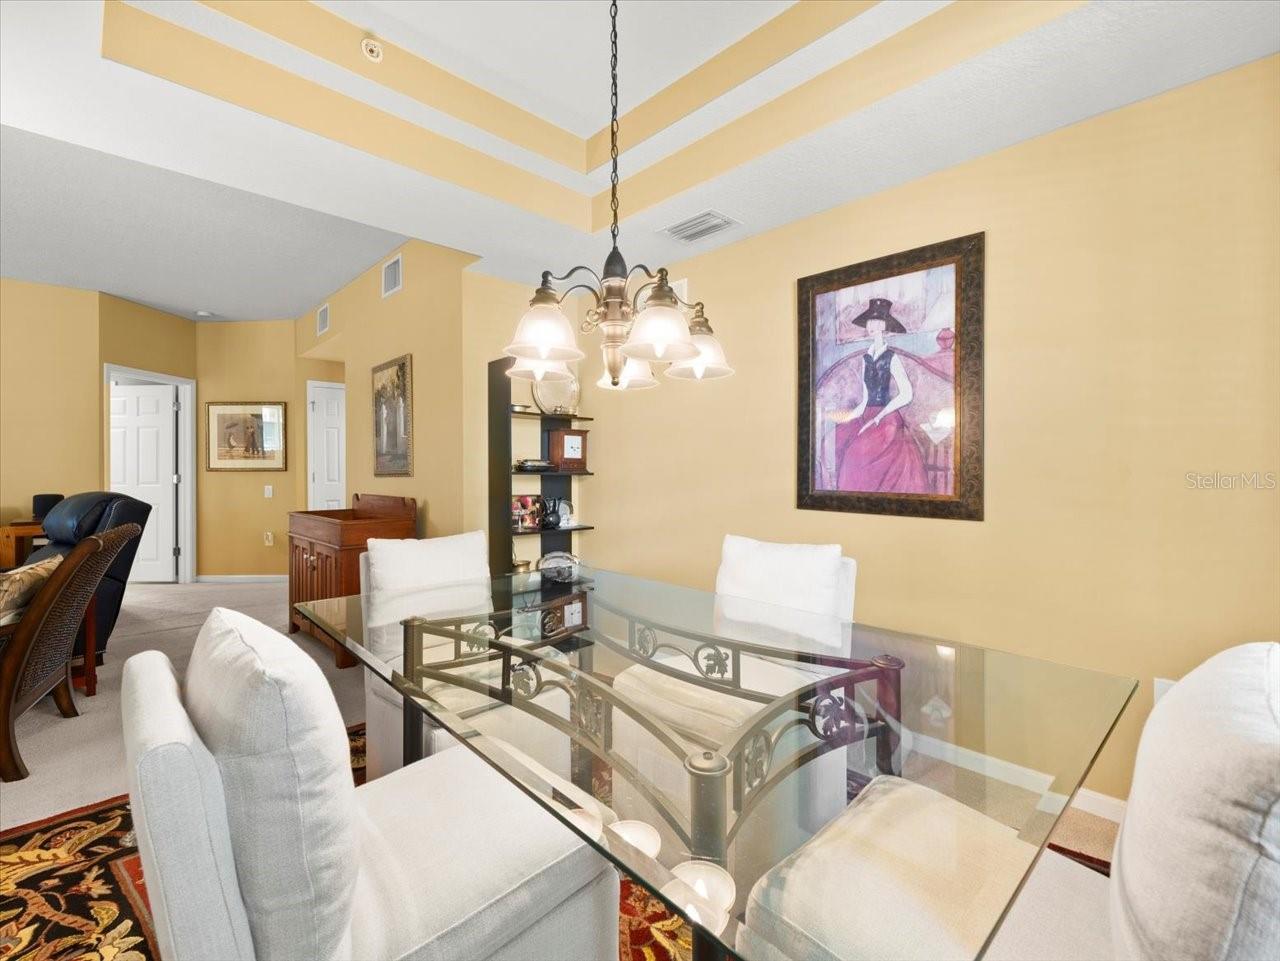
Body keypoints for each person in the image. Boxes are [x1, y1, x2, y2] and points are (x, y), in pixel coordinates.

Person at [834, 298, 929, 493]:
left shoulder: (891, 357)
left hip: (887, 419)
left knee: (862, 454)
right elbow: (865, 400)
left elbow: (907, 394)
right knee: (846, 447)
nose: (872, 325)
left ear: (884, 326)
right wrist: (848, 417)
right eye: (870, 321)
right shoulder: (866, 358)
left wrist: (880, 415)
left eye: (877, 321)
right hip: (867, 414)